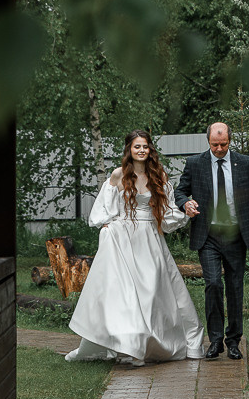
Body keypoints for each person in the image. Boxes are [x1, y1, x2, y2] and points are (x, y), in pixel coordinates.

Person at [65, 130, 205, 365]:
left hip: (150, 237)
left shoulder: (158, 175)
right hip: (124, 238)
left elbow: (167, 212)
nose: (141, 150)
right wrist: (109, 231)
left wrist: (185, 212)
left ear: (150, 150)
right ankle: (131, 347)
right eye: (137, 146)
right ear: (129, 149)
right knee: (128, 295)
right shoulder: (118, 175)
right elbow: (104, 212)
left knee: (152, 290)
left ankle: (150, 343)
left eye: (145, 146)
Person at [175, 122, 249, 360]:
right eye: (215, 144)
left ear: (230, 140)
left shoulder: (244, 164)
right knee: (213, 283)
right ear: (208, 142)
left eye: (223, 144)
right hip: (208, 235)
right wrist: (185, 203)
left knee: (235, 288)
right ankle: (215, 341)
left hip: (236, 235)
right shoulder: (195, 164)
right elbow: (180, 191)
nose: (219, 149)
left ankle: (233, 341)